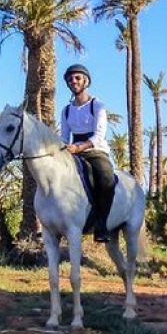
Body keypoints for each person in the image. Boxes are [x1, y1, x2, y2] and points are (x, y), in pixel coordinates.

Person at [60, 64, 115, 243]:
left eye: (77, 78)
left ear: (86, 81)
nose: (73, 81)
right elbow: (64, 137)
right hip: (73, 153)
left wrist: (79, 148)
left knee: (106, 178)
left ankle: (102, 225)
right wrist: (62, 149)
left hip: (95, 151)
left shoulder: (97, 105)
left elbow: (99, 135)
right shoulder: (66, 110)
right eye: (70, 79)